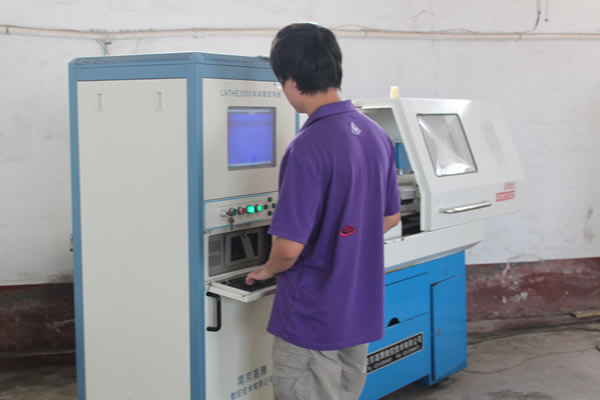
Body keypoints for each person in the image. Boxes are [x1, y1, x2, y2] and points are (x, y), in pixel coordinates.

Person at [245, 22, 401, 400]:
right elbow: (390, 216)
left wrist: (267, 270)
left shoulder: (307, 145)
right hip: (358, 309)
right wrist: (343, 242)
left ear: (291, 79)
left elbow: (288, 248)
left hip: (312, 316)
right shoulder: (375, 133)